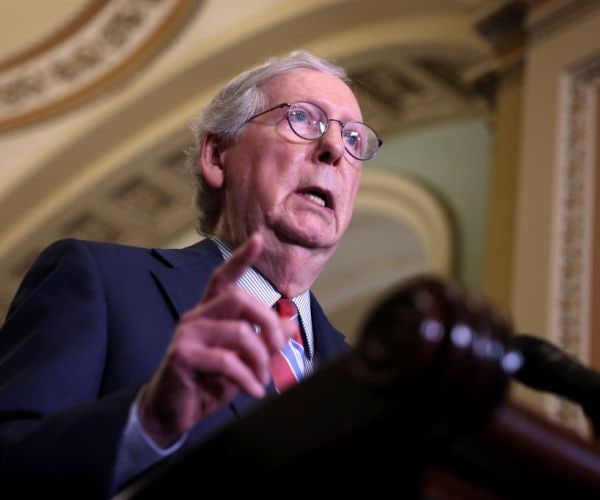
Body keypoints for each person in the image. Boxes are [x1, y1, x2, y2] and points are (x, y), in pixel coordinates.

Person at [0, 50, 382, 498]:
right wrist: (148, 422)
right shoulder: (101, 281)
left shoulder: (364, 381)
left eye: (354, 139)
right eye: (302, 118)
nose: (335, 148)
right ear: (217, 155)